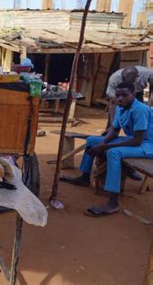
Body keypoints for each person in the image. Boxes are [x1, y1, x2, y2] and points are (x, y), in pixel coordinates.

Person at [61, 82, 153, 217]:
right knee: (92, 141)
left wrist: (104, 146)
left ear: (133, 95)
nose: (120, 98)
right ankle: (84, 177)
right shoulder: (120, 107)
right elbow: (115, 131)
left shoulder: (140, 110)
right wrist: (101, 143)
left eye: (125, 95)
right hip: (134, 140)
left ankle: (113, 202)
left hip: (147, 145)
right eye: (118, 95)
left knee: (114, 152)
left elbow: (136, 141)